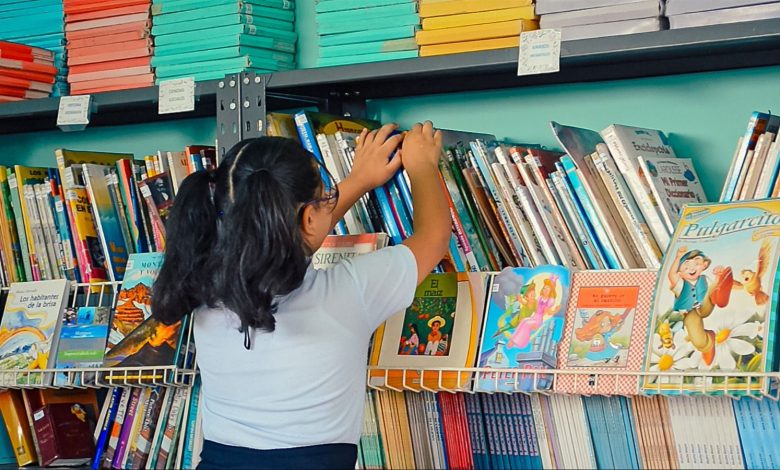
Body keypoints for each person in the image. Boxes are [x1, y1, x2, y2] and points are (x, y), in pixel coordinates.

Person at [151, 122, 450, 470]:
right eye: (326, 196)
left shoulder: (201, 289)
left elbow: (285, 236)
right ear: (308, 218)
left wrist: (358, 180)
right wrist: (422, 166)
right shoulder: (349, 293)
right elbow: (433, 237)